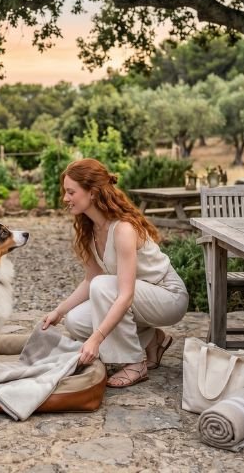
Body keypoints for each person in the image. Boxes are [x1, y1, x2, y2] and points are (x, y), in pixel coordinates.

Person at [42, 158, 189, 387]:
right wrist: (58, 312)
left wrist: (96, 339)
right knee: (76, 321)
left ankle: (133, 363)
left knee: (103, 287)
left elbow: (124, 295)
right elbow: (90, 280)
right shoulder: (90, 231)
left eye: (71, 192)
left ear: (92, 193)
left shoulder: (123, 229)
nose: (65, 199)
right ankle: (152, 340)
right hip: (140, 297)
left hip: (168, 296)